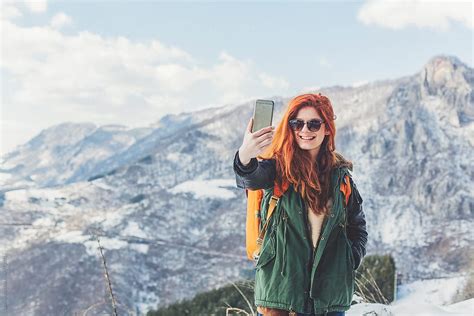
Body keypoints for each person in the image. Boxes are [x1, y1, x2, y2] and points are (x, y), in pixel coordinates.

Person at [233, 93, 368, 316]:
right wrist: (245, 156)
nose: (305, 130)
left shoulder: (340, 177)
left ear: (327, 129)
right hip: (280, 295)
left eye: (314, 124)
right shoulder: (277, 167)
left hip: (329, 297)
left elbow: (357, 225)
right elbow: (250, 178)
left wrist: (349, 259)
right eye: (298, 123)